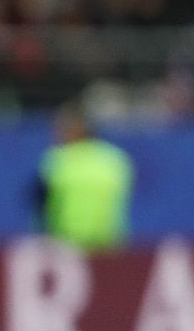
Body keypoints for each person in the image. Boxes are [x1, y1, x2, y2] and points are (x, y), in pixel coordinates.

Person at [33, 102, 134, 252]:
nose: (57, 134)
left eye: (61, 128)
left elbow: (41, 204)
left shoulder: (57, 160)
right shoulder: (116, 159)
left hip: (68, 244)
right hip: (109, 243)